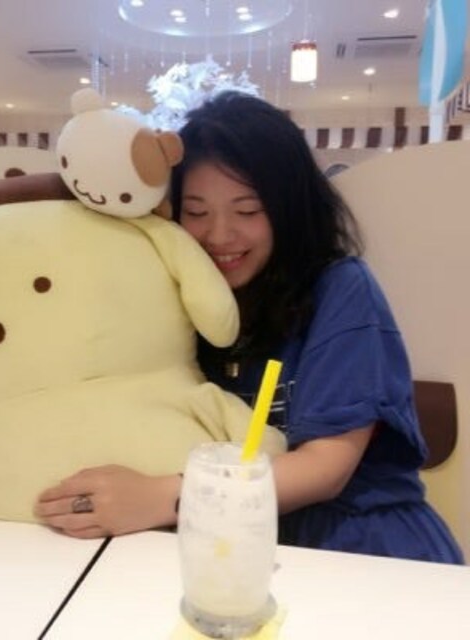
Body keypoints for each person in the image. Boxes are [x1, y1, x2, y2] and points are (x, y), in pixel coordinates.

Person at [34, 91, 464, 564]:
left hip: (355, 542)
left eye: (248, 211)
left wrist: (164, 497)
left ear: (288, 209)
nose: (219, 235)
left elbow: (325, 469)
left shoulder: (339, 289)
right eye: (196, 212)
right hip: (219, 543)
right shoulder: (171, 296)